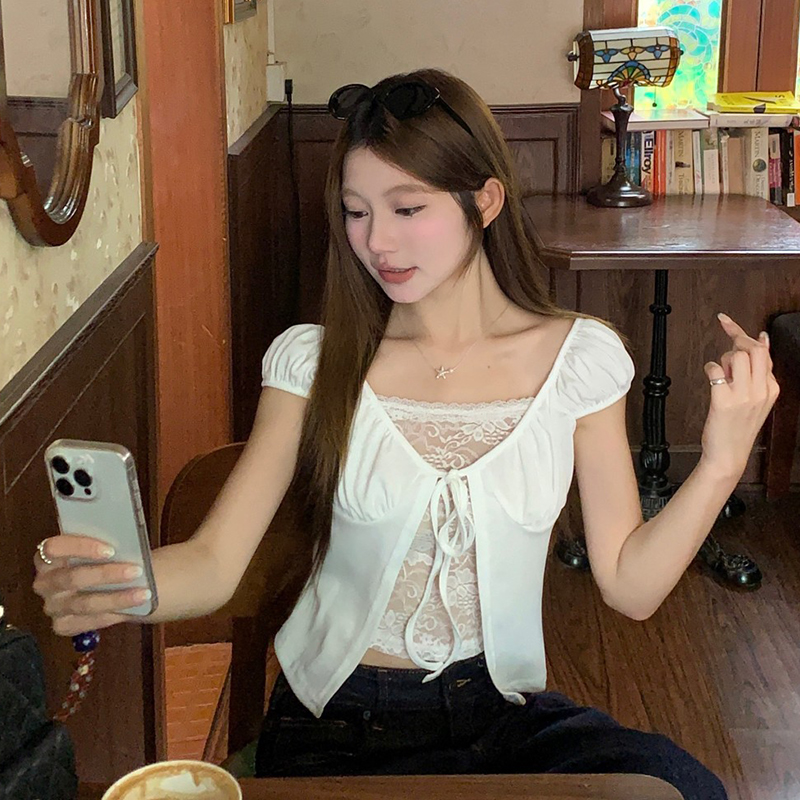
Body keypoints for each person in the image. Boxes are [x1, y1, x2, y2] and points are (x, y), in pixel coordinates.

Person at [33, 69, 779, 799]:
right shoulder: (315, 363)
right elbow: (214, 562)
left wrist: (721, 462)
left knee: (679, 787)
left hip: (501, 712)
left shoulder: (579, 361)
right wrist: (118, 587)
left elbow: (630, 586)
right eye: (356, 212)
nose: (377, 241)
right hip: (338, 723)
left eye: (407, 207)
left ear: (485, 200)